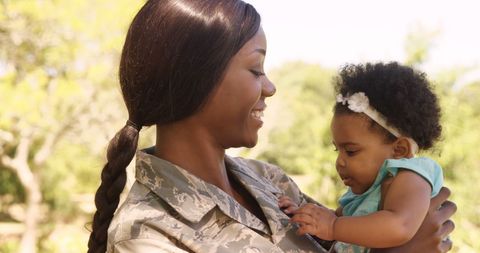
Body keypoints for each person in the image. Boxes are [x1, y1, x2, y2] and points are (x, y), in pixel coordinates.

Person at [87, 1, 456, 252]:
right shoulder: (146, 232)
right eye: (255, 69)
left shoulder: (268, 181)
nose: (270, 87)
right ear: (195, 79)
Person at [279, 62, 453, 253]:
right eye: (338, 150)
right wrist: (308, 216)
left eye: (351, 151)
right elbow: (341, 221)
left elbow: (401, 226)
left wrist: (332, 227)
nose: (340, 162)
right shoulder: (366, 189)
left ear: (399, 150)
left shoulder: (411, 175)